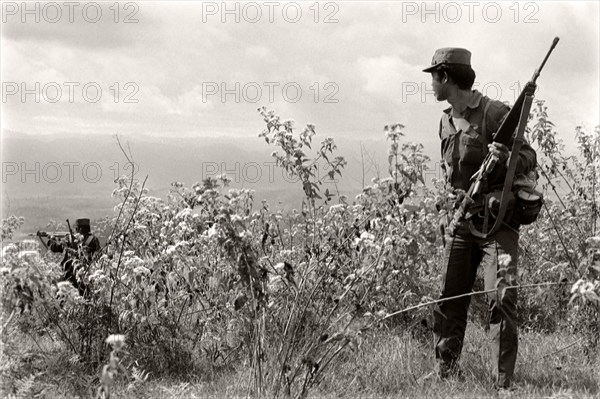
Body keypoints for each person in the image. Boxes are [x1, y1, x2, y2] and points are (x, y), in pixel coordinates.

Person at [422, 48, 537, 389]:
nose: (430, 83)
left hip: (496, 224)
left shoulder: (494, 112)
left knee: (500, 297)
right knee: (449, 296)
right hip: (461, 221)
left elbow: (529, 155)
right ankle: (445, 371)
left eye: (434, 76)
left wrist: (508, 158)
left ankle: (504, 383)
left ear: (446, 77)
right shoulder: (444, 121)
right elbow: (450, 174)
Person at [47, 218, 101, 296]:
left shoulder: (69, 238)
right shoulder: (93, 239)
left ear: (78, 228)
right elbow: (98, 254)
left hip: (69, 276)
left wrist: (51, 240)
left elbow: (55, 248)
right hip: (86, 275)